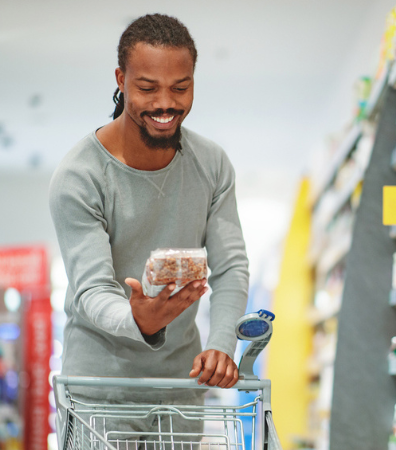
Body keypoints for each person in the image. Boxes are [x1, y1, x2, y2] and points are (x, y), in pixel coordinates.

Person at [48, 13, 249, 440]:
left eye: (181, 87)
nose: (165, 103)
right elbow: (92, 290)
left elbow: (230, 266)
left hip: (179, 387)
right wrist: (140, 319)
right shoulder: (79, 176)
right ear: (121, 80)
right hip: (99, 392)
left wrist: (221, 344)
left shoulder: (211, 165)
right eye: (147, 87)